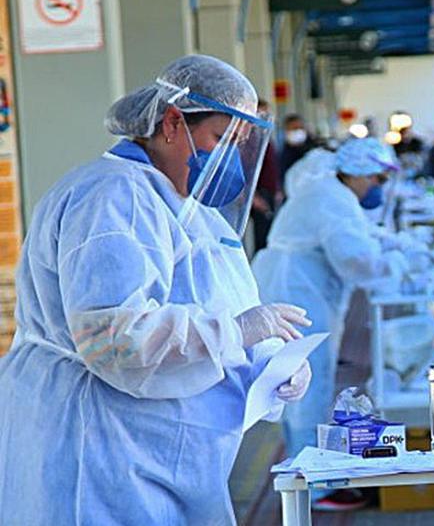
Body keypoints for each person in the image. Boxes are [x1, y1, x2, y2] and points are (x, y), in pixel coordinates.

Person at [0, 55, 313, 525]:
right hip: (101, 439)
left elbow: (216, 303)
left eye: (240, 143)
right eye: (219, 139)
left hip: (154, 448)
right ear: (171, 123)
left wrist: (268, 362)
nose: (227, 156)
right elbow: (112, 337)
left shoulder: (186, 204)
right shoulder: (112, 196)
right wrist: (238, 331)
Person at [252, 137, 408, 512]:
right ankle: (314, 488)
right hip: (298, 291)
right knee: (307, 384)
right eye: (375, 179)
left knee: (299, 383)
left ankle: (304, 472)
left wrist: (394, 246)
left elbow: (363, 236)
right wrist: (397, 265)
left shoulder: (332, 194)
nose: (377, 189)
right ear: (356, 174)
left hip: (298, 287)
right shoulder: (331, 199)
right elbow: (355, 258)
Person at [251, 99, 283, 250]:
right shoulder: (248, 141)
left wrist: (277, 189)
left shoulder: (266, 139)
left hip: (269, 193)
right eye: (260, 113)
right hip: (257, 195)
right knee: (261, 238)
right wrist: (253, 197)